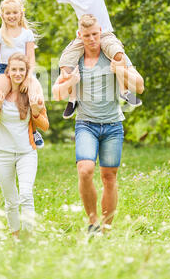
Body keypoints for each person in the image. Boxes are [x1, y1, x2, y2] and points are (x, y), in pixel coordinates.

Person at [7, 0, 142, 120]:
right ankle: (73, 99)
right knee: (65, 61)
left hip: (104, 33)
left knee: (118, 54)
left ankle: (123, 91)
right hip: (84, 36)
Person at [52, 15, 144, 234]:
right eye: (86, 36)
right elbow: (56, 93)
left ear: (100, 32)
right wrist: (71, 83)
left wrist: (119, 71)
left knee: (109, 176)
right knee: (85, 170)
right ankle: (92, 221)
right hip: (86, 124)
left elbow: (139, 86)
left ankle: (107, 228)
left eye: (95, 34)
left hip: (113, 125)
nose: (91, 39)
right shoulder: (75, 61)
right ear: (79, 36)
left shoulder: (113, 55)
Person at [0, 53, 49, 239]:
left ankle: (28, 238)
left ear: (26, 72)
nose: (17, 73)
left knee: (26, 194)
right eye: (14, 69)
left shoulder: (31, 94)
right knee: (11, 200)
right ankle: (16, 237)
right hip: (1, 153)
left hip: (26, 153)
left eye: (21, 69)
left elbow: (45, 125)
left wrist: (36, 112)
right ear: (8, 72)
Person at [0, 0, 45, 148]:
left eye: (15, 12)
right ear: (3, 15)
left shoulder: (27, 34)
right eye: (8, 13)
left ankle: (34, 130)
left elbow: (31, 59)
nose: (11, 16)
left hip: (24, 70)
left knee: (35, 94)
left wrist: (28, 78)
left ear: (21, 13)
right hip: (5, 69)